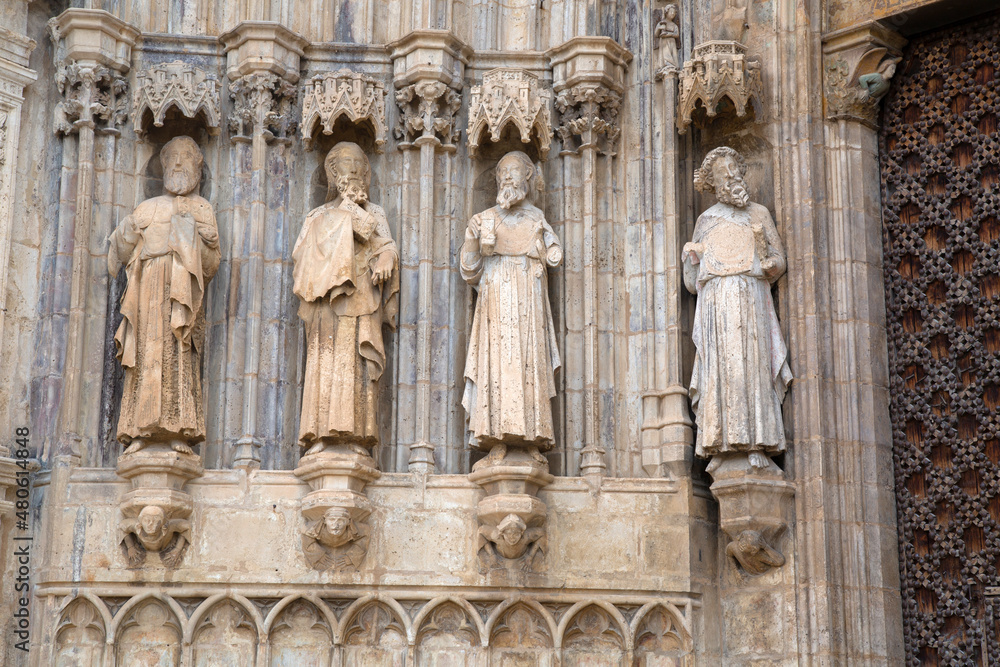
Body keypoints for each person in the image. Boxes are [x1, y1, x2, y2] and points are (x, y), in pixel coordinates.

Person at [108, 136, 220, 455]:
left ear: (199, 168)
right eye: (173, 159)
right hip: (147, 295)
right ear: (164, 166)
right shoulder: (147, 208)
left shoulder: (202, 208)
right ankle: (138, 431)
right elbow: (117, 255)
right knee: (145, 358)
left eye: (187, 158)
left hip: (181, 299)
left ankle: (177, 432)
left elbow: (211, 266)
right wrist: (127, 230)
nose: (180, 164)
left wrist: (205, 242)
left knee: (177, 358)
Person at [683, 147, 792, 469]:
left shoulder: (758, 214)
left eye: (734, 171)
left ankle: (757, 443)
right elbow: (691, 283)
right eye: (723, 174)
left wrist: (772, 264)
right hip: (717, 304)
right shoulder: (706, 221)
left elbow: (779, 259)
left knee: (750, 368)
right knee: (721, 370)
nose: (731, 178)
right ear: (714, 185)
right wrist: (692, 259)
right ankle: (719, 447)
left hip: (750, 299)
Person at [292, 142, 399, 456]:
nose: (352, 170)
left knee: (355, 365)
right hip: (327, 305)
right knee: (325, 364)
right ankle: (321, 435)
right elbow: (301, 257)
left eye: (358, 164)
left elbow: (386, 245)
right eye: (345, 164)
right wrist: (342, 219)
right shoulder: (319, 214)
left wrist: (386, 260)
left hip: (361, 299)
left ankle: (356, 438)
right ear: (332, 173)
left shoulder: (374, 212)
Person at [461, 151, 562, 461]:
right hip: (495, 303)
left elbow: (553, 253)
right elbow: (468, 268)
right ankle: (496, 438)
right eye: (502, 172)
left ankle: (533, 438)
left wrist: (550, 249)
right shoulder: (484, 219)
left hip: (528, 303)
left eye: (514, 172)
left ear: (527, 179)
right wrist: (475, 245)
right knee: (497, 365)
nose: (507, 177)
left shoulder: (536, 219)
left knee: (529, 363)